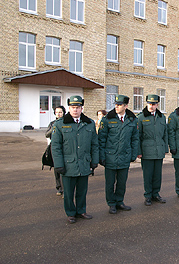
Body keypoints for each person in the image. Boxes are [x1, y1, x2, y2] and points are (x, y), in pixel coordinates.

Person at [51, 95, 99, 224]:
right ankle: (71, 213)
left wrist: (94, 160)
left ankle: (81, 210)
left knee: (82, 190)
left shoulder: (89, 123)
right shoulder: (60, 124)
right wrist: (58, 164)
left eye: (77, 107)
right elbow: (55, 147)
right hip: (68, 165)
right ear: (69, 108)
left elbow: (95, 144)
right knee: (68, 192)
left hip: (84, 163)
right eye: (72, 107)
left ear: (82, 108)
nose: (75, 110)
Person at [98, 95, 139, 214]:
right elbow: (101, 139)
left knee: (122, 182)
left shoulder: (132, 119)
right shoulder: (107, 119)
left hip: (124, 156)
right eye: (116, 104)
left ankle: (119, 201)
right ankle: (111, 203)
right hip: (110, 156)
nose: (116, 106)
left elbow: (135, 139)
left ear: (126, 106)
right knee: (110, 183)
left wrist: (133, 154)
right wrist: (102, 156)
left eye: (120, 104)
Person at [137, 94, 168, 206]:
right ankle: (148, 195)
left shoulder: (161, 117)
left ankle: (156, 194)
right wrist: (139, 152)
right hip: (146, 151)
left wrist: (165, 148)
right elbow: (138, 136)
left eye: (154, 104)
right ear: (147, 103)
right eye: (150, 103)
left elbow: (165, 134)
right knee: (148, 175)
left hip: (158, 150)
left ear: (157, 105)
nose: (151, 106)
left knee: (157, 175)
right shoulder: (141, 117)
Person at [45, 105, 66, 196]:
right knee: (57, 168)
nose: (58, 114)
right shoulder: (52, 123)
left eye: (60, 112)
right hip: (54, 148)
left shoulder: (66, 122)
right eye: (57, 112)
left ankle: (66, 188)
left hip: (65, 148)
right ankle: (59, 187)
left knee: (64, 168)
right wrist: (54, 128)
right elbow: (46, 134)